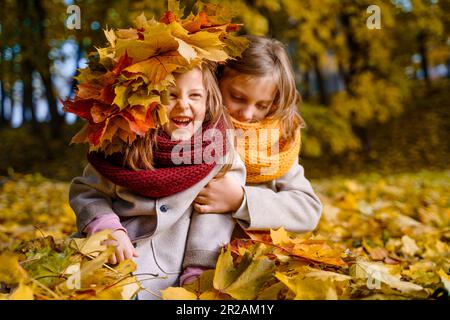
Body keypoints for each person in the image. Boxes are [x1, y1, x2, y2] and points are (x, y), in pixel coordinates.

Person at [65, 8, 249, 299]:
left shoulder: (217, 151)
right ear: (147, 101)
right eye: (171, 95)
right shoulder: (124, 143)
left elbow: (214, 217)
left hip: (175, 276)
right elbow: (87, 190)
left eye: (195, 96)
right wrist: (105, 227)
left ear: (209, 99)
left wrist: (199, 270)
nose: (183, 106)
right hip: (114, 264)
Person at [193, 35, 323, 248]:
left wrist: (241, 200)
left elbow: (308, 210)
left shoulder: (275, 143)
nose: (247, 113)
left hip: (253, 256)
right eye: (238, 97)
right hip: (192, 261)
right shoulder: (191, 128)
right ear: (216, 81)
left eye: (261, 105)